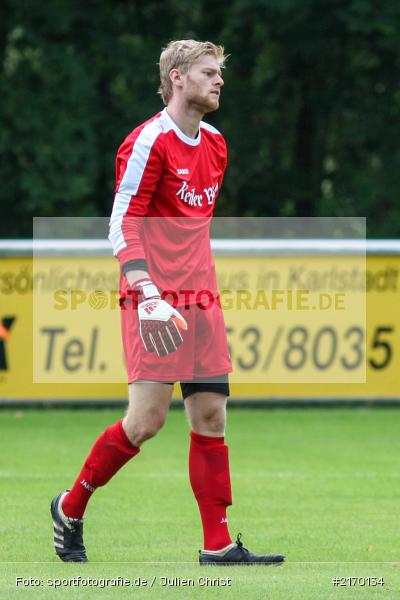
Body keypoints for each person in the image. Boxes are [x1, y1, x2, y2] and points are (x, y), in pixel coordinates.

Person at [50, 39, 285, 566]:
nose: (218, 81)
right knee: (146, 422)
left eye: (220, 73)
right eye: (208, 72)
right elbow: (122, 223)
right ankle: (71, 505)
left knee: (211, 418)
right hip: (152, 301)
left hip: (201, 300)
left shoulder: (218, 144)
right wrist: (149, 294)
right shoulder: (147, 141)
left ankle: (217, 545)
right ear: (177, 78)